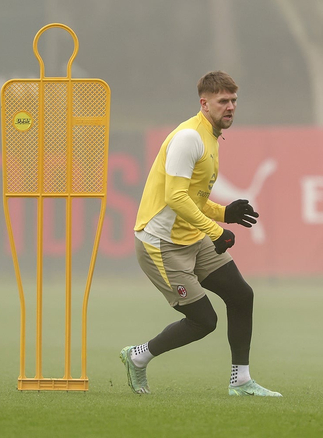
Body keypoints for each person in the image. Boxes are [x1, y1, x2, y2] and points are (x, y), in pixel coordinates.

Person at [120, 71, 281, 397]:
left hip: (191, 237)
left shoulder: (210, 136)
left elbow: (191, 198)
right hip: (161, 244)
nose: (230, 107)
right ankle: (138, 356)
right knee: (204, 321)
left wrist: (224, 213)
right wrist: (216, 229)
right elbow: (175, 197)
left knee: (241, 296)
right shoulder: (188, 138)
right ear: (204, 103)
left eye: (234, 100)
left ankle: (241, 381)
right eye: (223, 101)